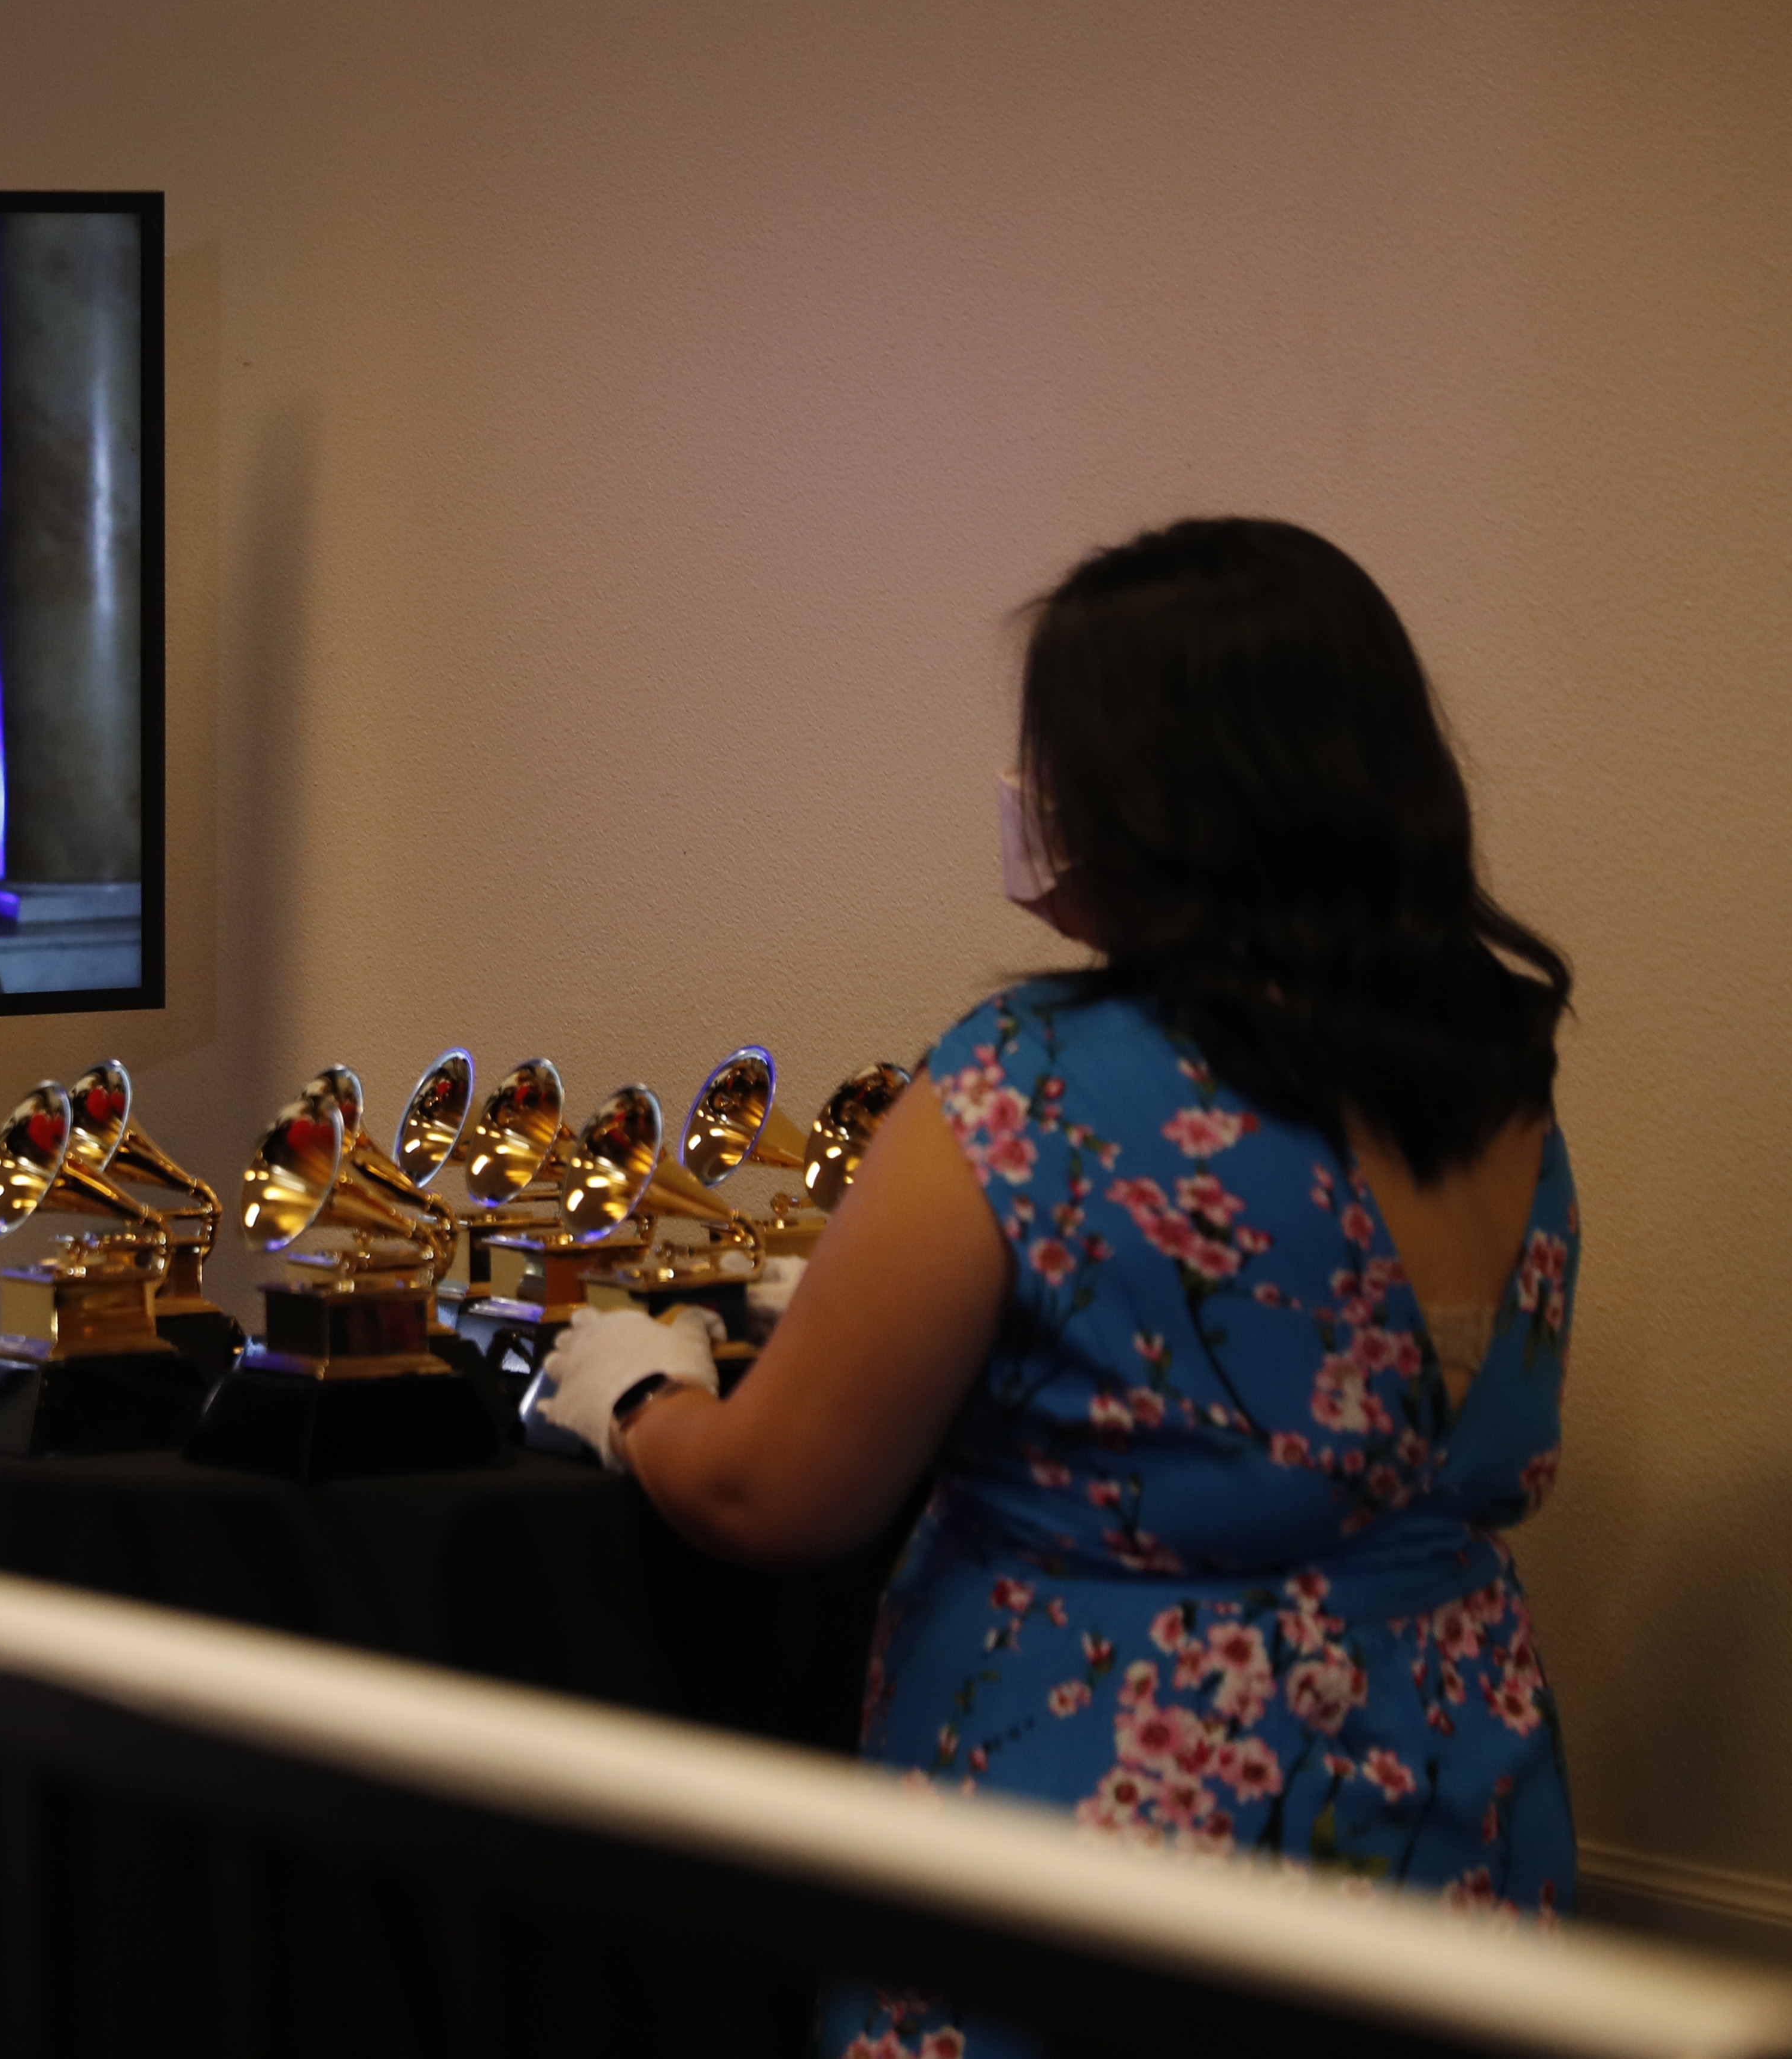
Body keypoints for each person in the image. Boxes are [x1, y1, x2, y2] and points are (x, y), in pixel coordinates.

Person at [537, 518, 1577, 2053]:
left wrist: (639, 1393)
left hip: (1117, 1838)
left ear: (1149, 798)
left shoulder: (1036, 1083)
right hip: (1453, 1806)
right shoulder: (1499, 1080)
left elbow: (777, 1496)